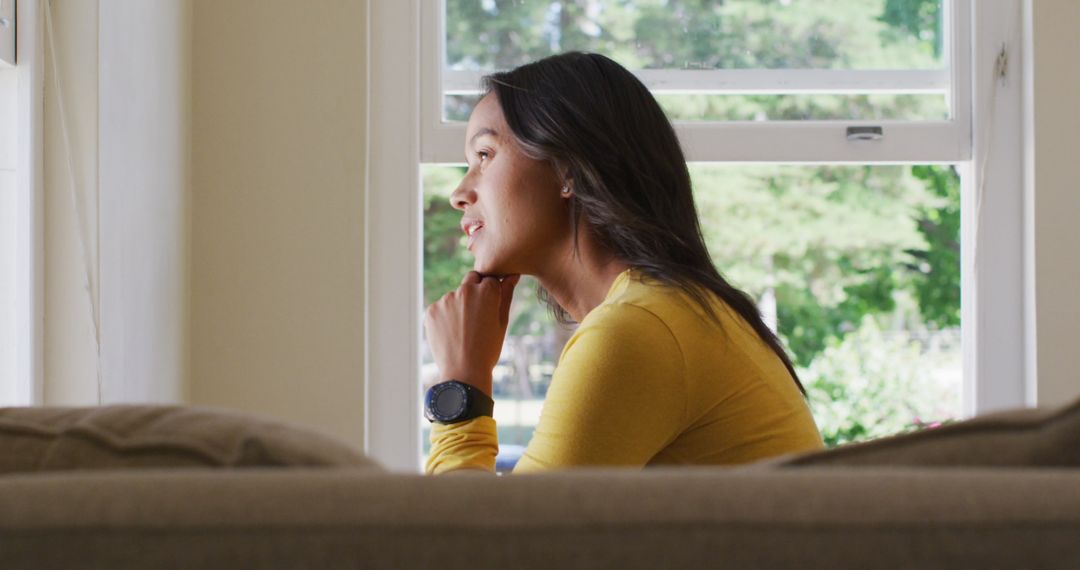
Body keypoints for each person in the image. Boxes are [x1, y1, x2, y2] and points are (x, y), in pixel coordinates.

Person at [423, 52, 823, 475]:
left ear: (569, 168)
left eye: (484, 155)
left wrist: (460, 388)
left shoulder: (639, 329)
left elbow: (481, 541)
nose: (459, 193)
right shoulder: (663, 311)